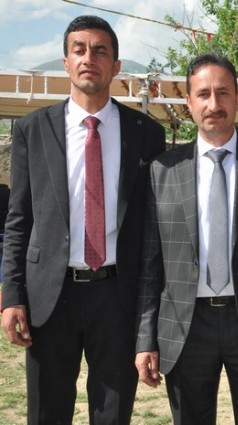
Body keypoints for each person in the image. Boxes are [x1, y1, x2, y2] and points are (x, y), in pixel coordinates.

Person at [0, 15, 166, 424]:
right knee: (47, 412)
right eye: (79, 50)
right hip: (50, 296)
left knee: (112, 413)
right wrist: (12, 295)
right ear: (66, 62)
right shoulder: (33, 129)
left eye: (100, 50)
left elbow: (152, 228)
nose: (89, 57)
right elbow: (19, 218)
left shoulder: (146, 133)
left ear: (116, 65)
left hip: (117, 295)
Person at [134, 53, 238, 425]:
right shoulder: (163, 170)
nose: (214, 104)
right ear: (189, 102)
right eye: (203, 94)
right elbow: (150, 265)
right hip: (185, 327)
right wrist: (145, 338)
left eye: (223, 93)